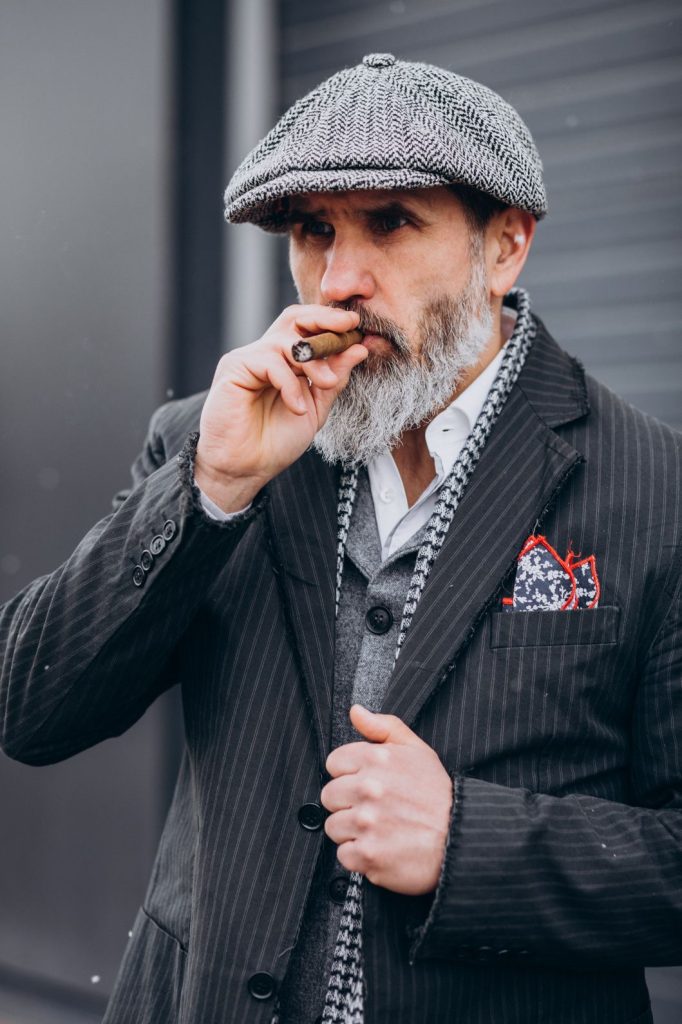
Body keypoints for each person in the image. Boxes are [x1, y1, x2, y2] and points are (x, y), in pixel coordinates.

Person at [1, 52, 680, 1024]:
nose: (339, 279)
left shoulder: (655, 487)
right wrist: (211, 490)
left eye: (391, 223)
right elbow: (32, 711)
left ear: (505, 247)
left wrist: (468, 843)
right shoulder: (216, 439)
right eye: (314, 231)